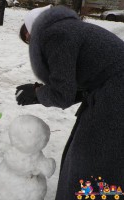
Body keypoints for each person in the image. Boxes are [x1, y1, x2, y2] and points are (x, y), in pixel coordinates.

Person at [16, 5, 124, 200]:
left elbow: (62, 95)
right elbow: (77, 86)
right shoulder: (68, 29)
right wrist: (39, 92)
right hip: (111, 92)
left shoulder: (56, 35)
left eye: (29, 38)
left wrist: (38, 93)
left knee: (90, 157)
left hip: (116, 97)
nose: (31, 45)